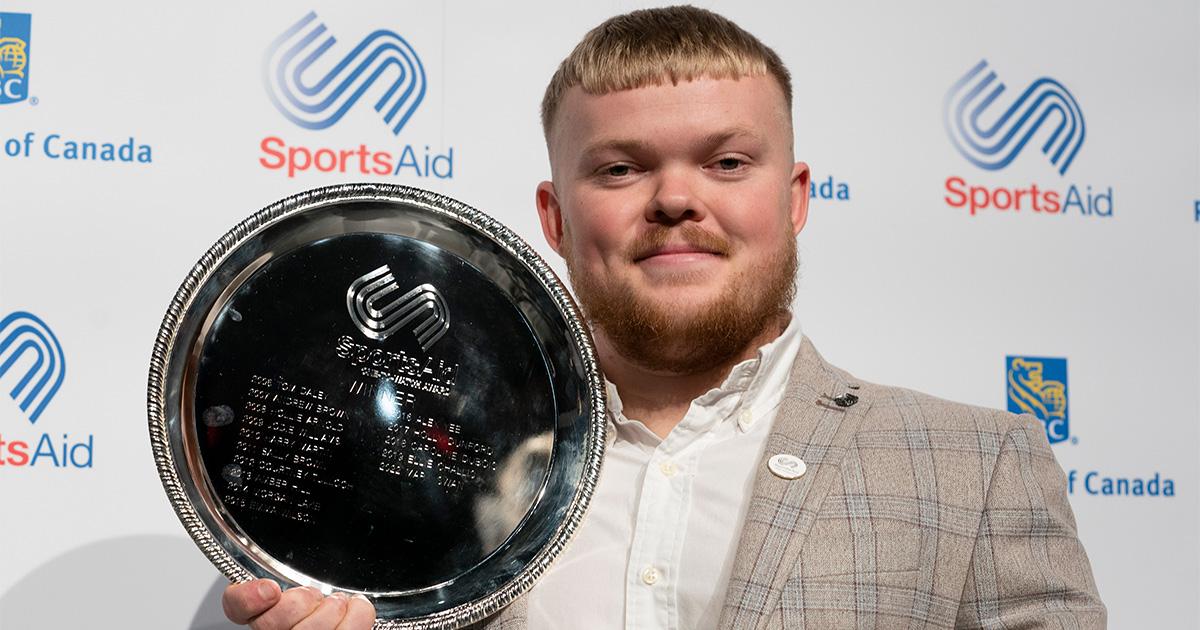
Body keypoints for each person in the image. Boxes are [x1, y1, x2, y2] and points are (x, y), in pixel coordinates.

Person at [223, 6, 1106, 629]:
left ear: (795, 198)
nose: (676, 199)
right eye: (619, 169)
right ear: (555, 219)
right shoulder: (427, 481)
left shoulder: (978, 468)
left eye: (726, 161)